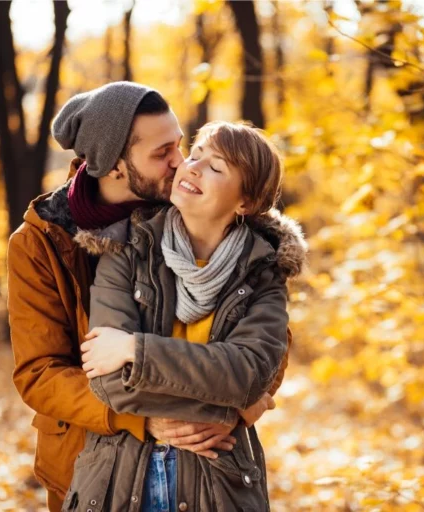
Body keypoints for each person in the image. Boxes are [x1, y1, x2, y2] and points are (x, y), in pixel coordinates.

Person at [7, 82, 291, 511]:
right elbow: (39, 373)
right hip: (92, 461)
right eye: (163, 154)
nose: (180, 163)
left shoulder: (183, 211)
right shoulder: (40, 242)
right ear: (115, 164)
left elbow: (267, 349)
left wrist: (235, 408)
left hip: (208, 466)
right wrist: (145, 419)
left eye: (180, 146)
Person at [65, 120, 307, 511]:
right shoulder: (127, 247)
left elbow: (248, 374)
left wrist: (135, 349)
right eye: (195, 155)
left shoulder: (263, 271)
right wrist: (224, 403)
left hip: (219, 481)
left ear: (245, 202)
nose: (192, 167)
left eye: (216, 167)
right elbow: (108, 382)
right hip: (119, 479)